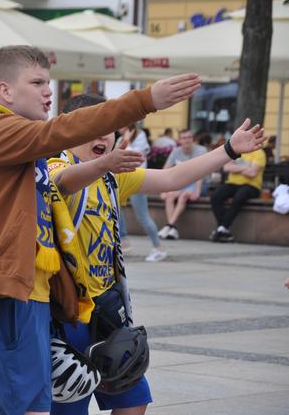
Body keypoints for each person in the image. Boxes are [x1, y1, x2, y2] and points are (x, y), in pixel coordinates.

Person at [0, 44, 201, 415]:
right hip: (1, 291)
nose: (48, 91)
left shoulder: (15, 137)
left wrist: (227, 150)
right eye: (37, 82)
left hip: (28, 292)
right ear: (5, 91)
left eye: (47, 82)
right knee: (27, 409)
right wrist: (145, 100)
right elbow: (64, 134)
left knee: (34, 407)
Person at [48, 94, 265, 415]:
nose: (103, 135)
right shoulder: (57, 166)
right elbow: (61, 183)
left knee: (135, 400)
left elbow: (172, 178)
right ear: (66, 130)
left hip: (108, 309)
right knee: (69, 409)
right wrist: (100, 165)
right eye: (91, 126)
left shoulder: (112, 175)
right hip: (69, 314)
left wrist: (229, 149)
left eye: (108, 127)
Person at [118, 123, 167, 262]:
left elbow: (134, 157)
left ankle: (158, 248)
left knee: (143, 217)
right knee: (115, 208)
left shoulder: (140, 136)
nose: (118, 127)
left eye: (120, 124)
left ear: (128, 126)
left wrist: (126, 140)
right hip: (123, 181)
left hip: (137, 181)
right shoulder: (119, 139)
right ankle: (123, 240)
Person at [158, 129, 208, 239]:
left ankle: (169, 226)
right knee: (169, 196)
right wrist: (163, 190)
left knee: (183, 196)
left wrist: (197, 191)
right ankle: (172, 228)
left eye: (189, 137)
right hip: (184, 183)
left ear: (192, 139)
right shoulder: (176, 151)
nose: (187, 140)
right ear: (179, 140)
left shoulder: (201, 150)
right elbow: (165, 169)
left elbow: (201, 173)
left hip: (200, 182)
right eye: (184, 138)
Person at [209, 147, 267, 242]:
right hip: (232, 183)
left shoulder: (259, 153)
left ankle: (222, 228)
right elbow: (226, 167)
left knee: (239, 197)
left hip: (251, 186)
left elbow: (252, 173)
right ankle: (223, 229)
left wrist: (236, 168)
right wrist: (246, 168)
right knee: (216, 196)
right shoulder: (236, 151)